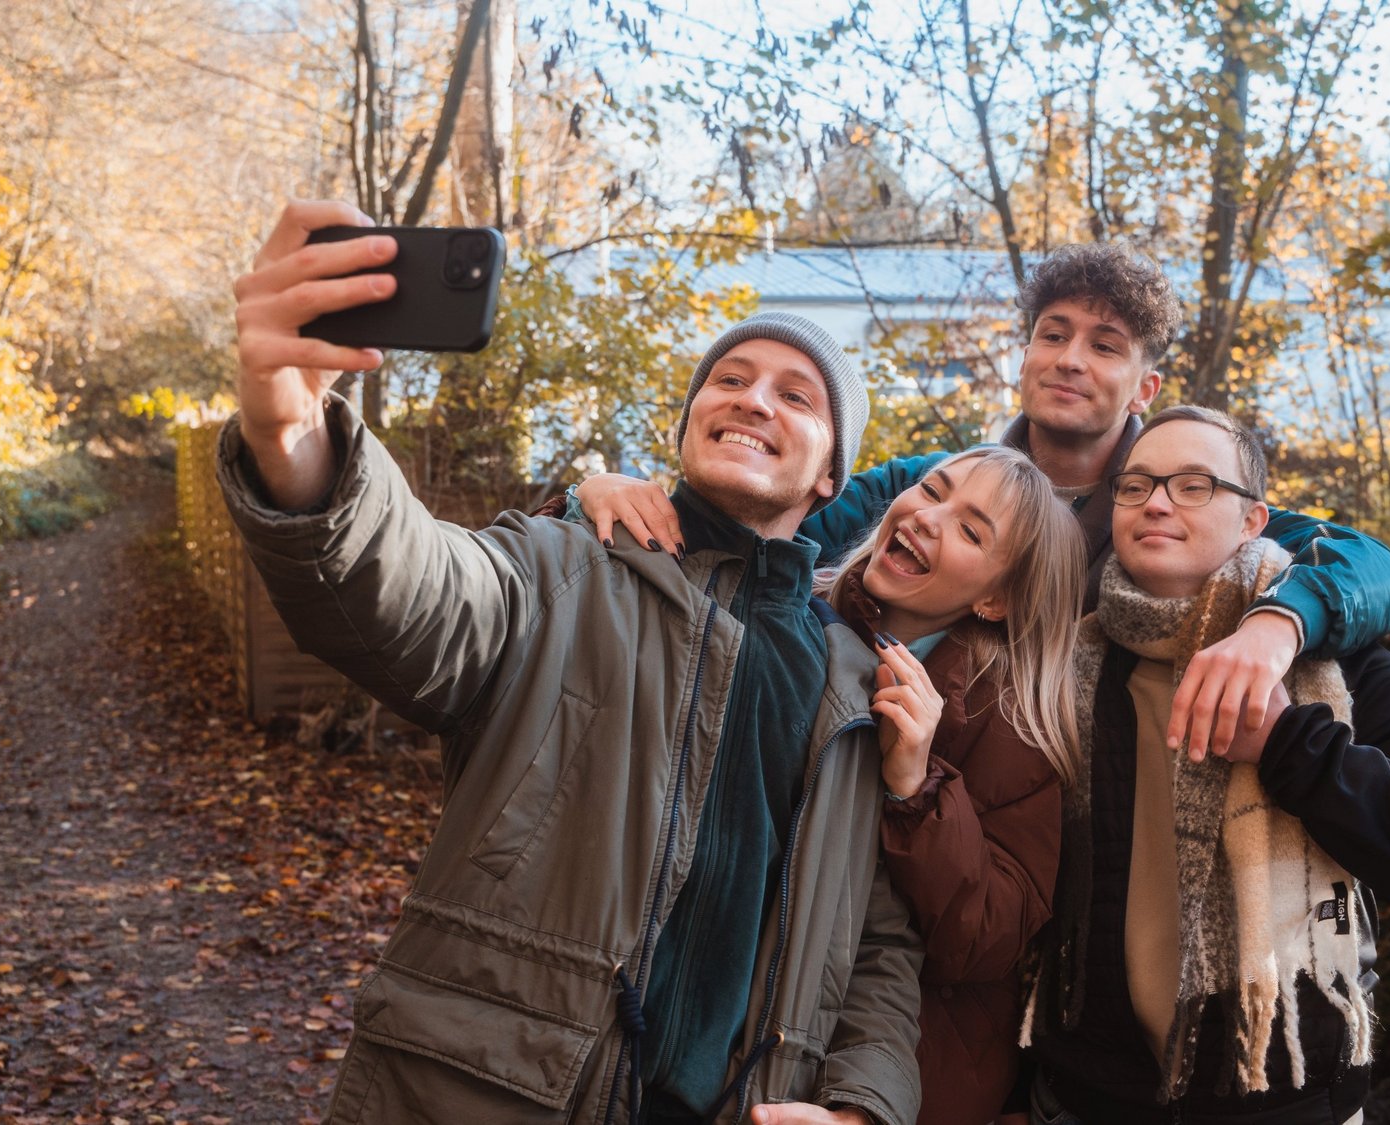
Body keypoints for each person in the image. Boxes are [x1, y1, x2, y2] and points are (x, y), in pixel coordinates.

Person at [219, 201, 921, 1125]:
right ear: (687, 424)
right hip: (495, 1093)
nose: (753, 399)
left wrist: (865, 1106)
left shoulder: (854, 686)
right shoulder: (560, 570)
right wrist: (295, 434)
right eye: (731, 378)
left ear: (833, 473)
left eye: (797, 395)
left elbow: (875, 942)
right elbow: (413, 590)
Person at [573, 243, 1390, 768]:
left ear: (1146, 387)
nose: (1069, 358)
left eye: (1104, 344)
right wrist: (612, 495)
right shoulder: (920, 488)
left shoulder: (1176, 511)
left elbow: (1373, 567)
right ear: (1023, 358)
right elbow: (764, 536)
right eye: (1052, 334)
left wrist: (1279, 626)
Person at [1021, 406, 1390, 1125]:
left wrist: (1286, 743)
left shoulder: (1331, 660)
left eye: (1195, 484)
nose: (1157, 500)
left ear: (1253, 520)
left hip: (1286, 1097)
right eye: (1137, 483)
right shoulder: (1062, 660)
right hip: (1088, 1095)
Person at [818, 446, 1085, 1125]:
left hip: (908, 1073)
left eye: (970, 530)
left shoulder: (1013, 721)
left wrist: (919, 786)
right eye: (931, 491)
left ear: (994, 598)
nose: (928, 517)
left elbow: (990, 935)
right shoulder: (799, 609)